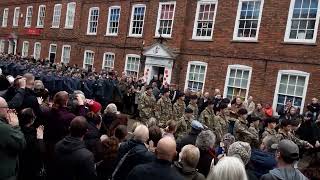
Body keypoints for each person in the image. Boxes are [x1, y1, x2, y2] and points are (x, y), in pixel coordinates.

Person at [0, 97, 26, 180]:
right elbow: (21, 144)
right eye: (6, 107)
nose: (8, 109)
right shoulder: (3, 129)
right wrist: (15, 126)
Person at [18, 108, 45, 180]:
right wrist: (40, 137)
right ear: (32, 119)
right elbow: (41, 151)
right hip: (31, 166)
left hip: (19, 166)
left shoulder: (16, 130)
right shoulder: (32, 135)